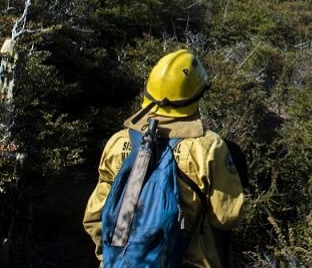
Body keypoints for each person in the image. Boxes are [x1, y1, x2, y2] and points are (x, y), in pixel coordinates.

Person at [83, 49, 244, 268]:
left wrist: (115, 258)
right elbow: (227, 217)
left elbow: (94, 216)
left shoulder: (118, 142)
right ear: (197, 95)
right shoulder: (209, 147)